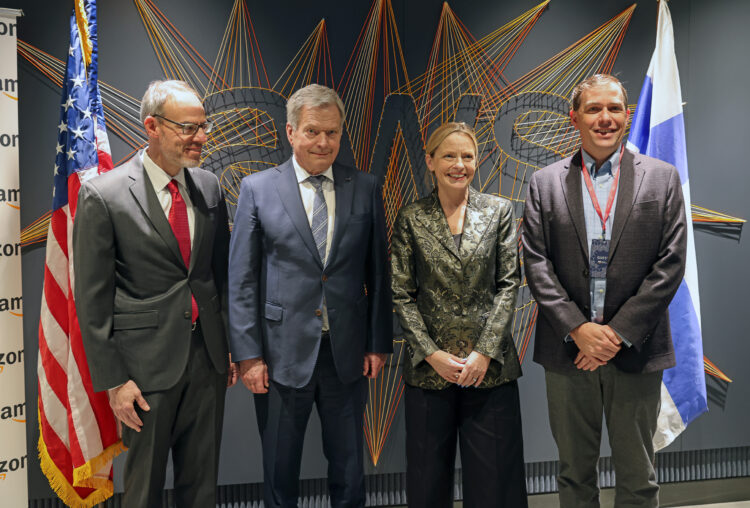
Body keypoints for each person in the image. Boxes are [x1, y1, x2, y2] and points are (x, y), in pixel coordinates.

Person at [522, 74, 687, 507]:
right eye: (594, 109)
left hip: (637, 349)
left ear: (627, 116)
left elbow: (670, 265)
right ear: (574, 117)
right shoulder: (545, 183)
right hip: (567, 351)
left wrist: (614, 334)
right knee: (575, 475)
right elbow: (536, 263)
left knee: (638, 477)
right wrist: (578, 328)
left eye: (614, 108)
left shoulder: (662, 179)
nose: (605, 118)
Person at [73, 80, 236, 507]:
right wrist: (114, 382)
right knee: (143, 489)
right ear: (152, 126)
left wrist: (229, 347)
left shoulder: (210, 188)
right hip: (142, 372)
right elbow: (92, 301)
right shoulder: (103, 195)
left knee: (201, 487)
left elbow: (218, 277)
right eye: (188, 128)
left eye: (203, 127)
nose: (201, 138)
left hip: (207, 360)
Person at [228, 83, 392, 508]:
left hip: (347, 355)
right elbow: (242, 279)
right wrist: (248, 356)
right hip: (280, 356)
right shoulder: (258, 189)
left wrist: (377, 343)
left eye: (333, 133)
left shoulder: (366, 187)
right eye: (313, 132)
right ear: (291, 132)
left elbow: (378, 272)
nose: (324, 142)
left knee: (350, 470)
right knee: (280, 471)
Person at [391, 122, 527, 508]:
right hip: (428, 372)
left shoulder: (499, 210)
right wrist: (432, 354)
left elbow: (507, 286)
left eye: (467, 156)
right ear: (431, 161)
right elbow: (402, 294)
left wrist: (484, 353)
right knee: (427, 481)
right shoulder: (411, 217)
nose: (459, 165)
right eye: (449, 156)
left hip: (490, 371)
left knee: (496, 483)